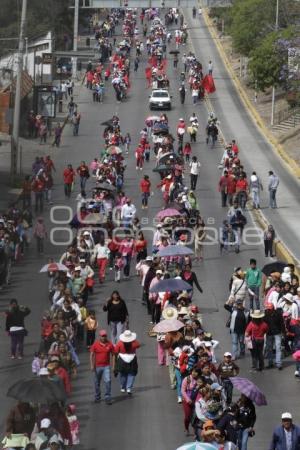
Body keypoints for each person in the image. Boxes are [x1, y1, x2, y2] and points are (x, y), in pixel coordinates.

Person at [90, 329, 115, 404]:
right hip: (97, 366)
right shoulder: (95, 344)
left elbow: (113, 355)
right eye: (102, 336)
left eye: (105, 336)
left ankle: (107, 397)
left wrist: (113, 365)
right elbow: (91, 355)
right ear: (99, 337)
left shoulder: (110, 344)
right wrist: (92, 365)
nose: (104, 337)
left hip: (106, 366)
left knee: (108, 381)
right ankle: (97, 397)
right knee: (97, 382)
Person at [114, 330, 140, 395]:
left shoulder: (120, 343)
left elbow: (116, 351)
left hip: (122, 360)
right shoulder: (134, 343)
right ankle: (129, 388)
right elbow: (138, 345)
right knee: (131, 373)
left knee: (123, 374)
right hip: (132, 358)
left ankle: (123, 387)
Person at [264, 302, 284, 370]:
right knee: (269, 348)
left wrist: (283, 332)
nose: (269, 310)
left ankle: (278, 363)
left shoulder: (278, 314)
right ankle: (270, 363)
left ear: (273, 308)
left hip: (277, 333)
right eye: (268, 309)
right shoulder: (265, 314)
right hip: (269, 333)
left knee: (278, 348)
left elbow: (282, 323)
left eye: (270, 309)